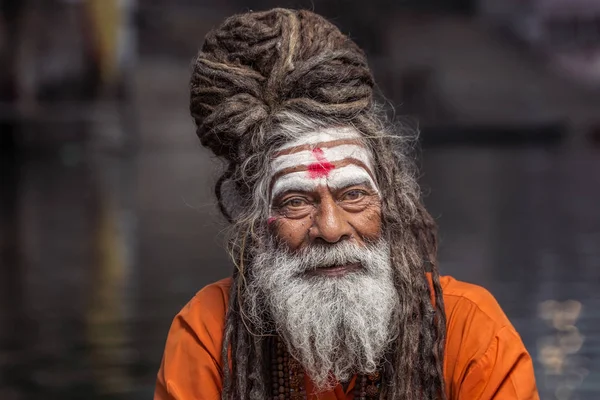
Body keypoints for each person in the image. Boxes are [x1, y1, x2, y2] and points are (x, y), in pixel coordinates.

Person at [154, 8, 539, 400]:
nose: (332, 228)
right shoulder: (208, 332)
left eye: (353, 195)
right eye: (296, 202)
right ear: (258, 222)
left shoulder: (469, 331)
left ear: (390, 203)